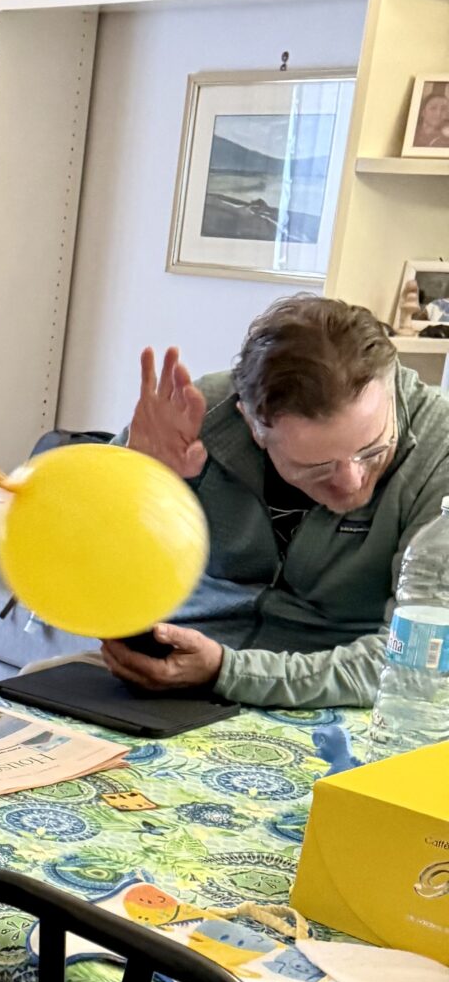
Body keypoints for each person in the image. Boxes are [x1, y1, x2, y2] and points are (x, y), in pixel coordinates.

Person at [101, 296, 449, 706]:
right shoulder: (194, 419)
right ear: (253, 426)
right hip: (172, 663)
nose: (352, 482)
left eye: (373, 450)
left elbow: (418, 660)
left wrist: (229, 672)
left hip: (338, 691)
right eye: (317, 468)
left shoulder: (439, 451)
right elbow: (75, 567)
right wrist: (132, 486)